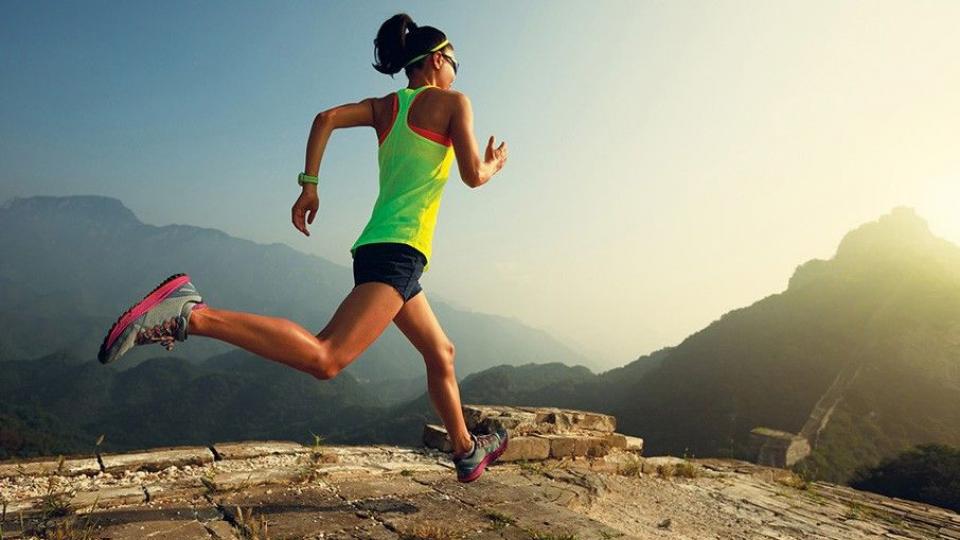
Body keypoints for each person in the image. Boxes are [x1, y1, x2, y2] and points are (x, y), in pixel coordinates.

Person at [97, 13, 510, 483]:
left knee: (442, 353)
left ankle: (465, 450)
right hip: (398, 252)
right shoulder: (454, 102)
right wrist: (494, 165)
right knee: (326, 358)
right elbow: (472, 174)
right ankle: (192, 314)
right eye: (456, 61)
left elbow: (325, 118)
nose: (457, 70)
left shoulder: (386, 107)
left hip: (383, 250)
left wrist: (309, 186)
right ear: (437, 60)